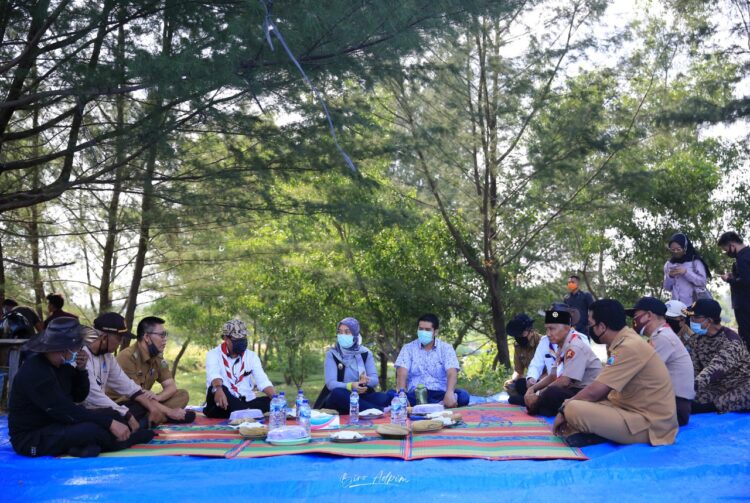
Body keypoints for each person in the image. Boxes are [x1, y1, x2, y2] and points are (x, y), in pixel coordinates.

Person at [8, 317, 153, 457]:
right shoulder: (36, 372)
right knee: (92, 430)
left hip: (57, 423)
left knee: (112, 414)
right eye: (76, 347)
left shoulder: (62, 367)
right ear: (63, 349)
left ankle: (82, 447)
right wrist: (109, 423)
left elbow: (79, 396)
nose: (79, 350)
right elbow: (66, 410)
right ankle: (126, 440)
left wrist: (81, 370)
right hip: (32, 436)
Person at [553, 299, 678, 447]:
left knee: (573, 408)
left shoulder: (629, 346)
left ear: (601, 327)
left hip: (650, 424)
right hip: (627, 408)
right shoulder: (624, 341)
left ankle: (598, 432)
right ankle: (599, 432)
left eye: (591, 324)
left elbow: (594, 392)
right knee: (578, 404)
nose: (589, 328)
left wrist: (563, 409)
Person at [81, 312, 167, 429]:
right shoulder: (82, 356)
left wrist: (152, 408)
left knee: (141, 406)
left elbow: (128, 386)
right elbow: (93, 396)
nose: (121, 342)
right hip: (86, 412)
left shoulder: (108, 357)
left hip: (103, 410)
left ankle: (135, 426)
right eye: (118, 338)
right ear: (104, 337)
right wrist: (127, 414)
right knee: (110, 420)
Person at [110, 316, 194, 423]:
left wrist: (158, 397)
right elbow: (137, 396)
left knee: (182, 395)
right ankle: (162, 417)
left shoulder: (156, 356)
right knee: (138, 407)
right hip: (124, 404)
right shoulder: (127, 357)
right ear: (146, 337)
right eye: (162, 335)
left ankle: (154, 417)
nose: (165, 339)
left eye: (165, 335)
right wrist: (169, 411)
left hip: (147, 401)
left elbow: (171, 386)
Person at [626, 296, 695, 426]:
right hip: (668, 404)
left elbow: (639, 373)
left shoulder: (663, 338)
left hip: (673, 409)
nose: (633, 320)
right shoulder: (661, 335)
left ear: (648, 315)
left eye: (635, 316)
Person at [523, 308, 601, 416]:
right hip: (573, 389)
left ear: (567, 328)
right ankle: (542, 406)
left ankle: (542, 405)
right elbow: (553, 376)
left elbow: (564, 381)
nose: (548, 334)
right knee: (537, 392)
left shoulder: (574, 346)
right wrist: (532, 388)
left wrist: (539, 394)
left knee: (552, 393)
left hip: (586, 391)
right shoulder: (561, 345)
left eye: (552, 329)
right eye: (547, 329)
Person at [684, 299, 750, 414]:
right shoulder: (696, 339)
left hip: (741, 384)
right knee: (689, 397)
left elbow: (714, 369)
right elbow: (694, 369)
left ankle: (710, 407)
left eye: (695, 318)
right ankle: (714, 404)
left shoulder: (731, 341)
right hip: (716, 387)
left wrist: (690, 387)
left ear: (709, 321)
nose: (691, 321)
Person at [314, 317, 390, 413]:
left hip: (360, 396)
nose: (342, 335)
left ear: (355, 334)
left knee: (383, 397)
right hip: (338, 400)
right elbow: (331, 384)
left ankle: (370, 408)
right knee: (338, 393)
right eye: (340, 332)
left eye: (347, 332)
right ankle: (379, 410)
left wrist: (365, 381)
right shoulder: (332, 354)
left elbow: (375, 380)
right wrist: (350, 386)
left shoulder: (365, 353)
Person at [395, 313, 469, 408]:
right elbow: (402, 372)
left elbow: (452, 372)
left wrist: (450, 392)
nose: (423, 332)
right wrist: (402, 395)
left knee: (463, 396)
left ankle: (440, 403)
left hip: (440, 394)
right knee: (391, 395)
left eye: (427, 330)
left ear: (435, 332)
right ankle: (436, 406)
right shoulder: (408, 348)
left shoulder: (446, 348)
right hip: (415, 395)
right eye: (421, 329)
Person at [204, 319, 275, 418]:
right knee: (218, 388)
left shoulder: (251, 356)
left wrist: (276, 399)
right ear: (226, 338)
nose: (241, 342)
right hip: (223, 401)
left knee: (270, 401)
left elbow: (262, 381)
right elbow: (214, 374)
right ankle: (247, 412)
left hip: (245, 401)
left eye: (244, 338)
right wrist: (218, 389)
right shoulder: (213, 354)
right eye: (237, 339)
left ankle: (243, 411)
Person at [718, 231, 750, 350]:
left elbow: (746, 281)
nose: (727, 252)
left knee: (746, 337)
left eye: (726, 249)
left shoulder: (742, 258)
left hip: (745, 305)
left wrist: (729, 279)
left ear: (732, 245)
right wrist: (735, 277)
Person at [663, 232, 712, 306]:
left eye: (678, 249)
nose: (675, 252)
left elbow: (702, 282)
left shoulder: (695, 262)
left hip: (695, 304)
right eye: (673, 249)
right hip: (677, 306)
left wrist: (686, 272)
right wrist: (670, 276)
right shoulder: (669, 264)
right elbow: (667, 288)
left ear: (685, 247)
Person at [503, 314, 542, 398]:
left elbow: (551, 372)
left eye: (521, 334)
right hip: (530, 382)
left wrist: (535, 383)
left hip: (545, 380)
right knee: (517, 386)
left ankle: (533, 398)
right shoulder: (518, 346)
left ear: (530, 331)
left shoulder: (542, 342)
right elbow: (518, 371)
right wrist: (513, 381)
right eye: (517, 335)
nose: (519, 337)